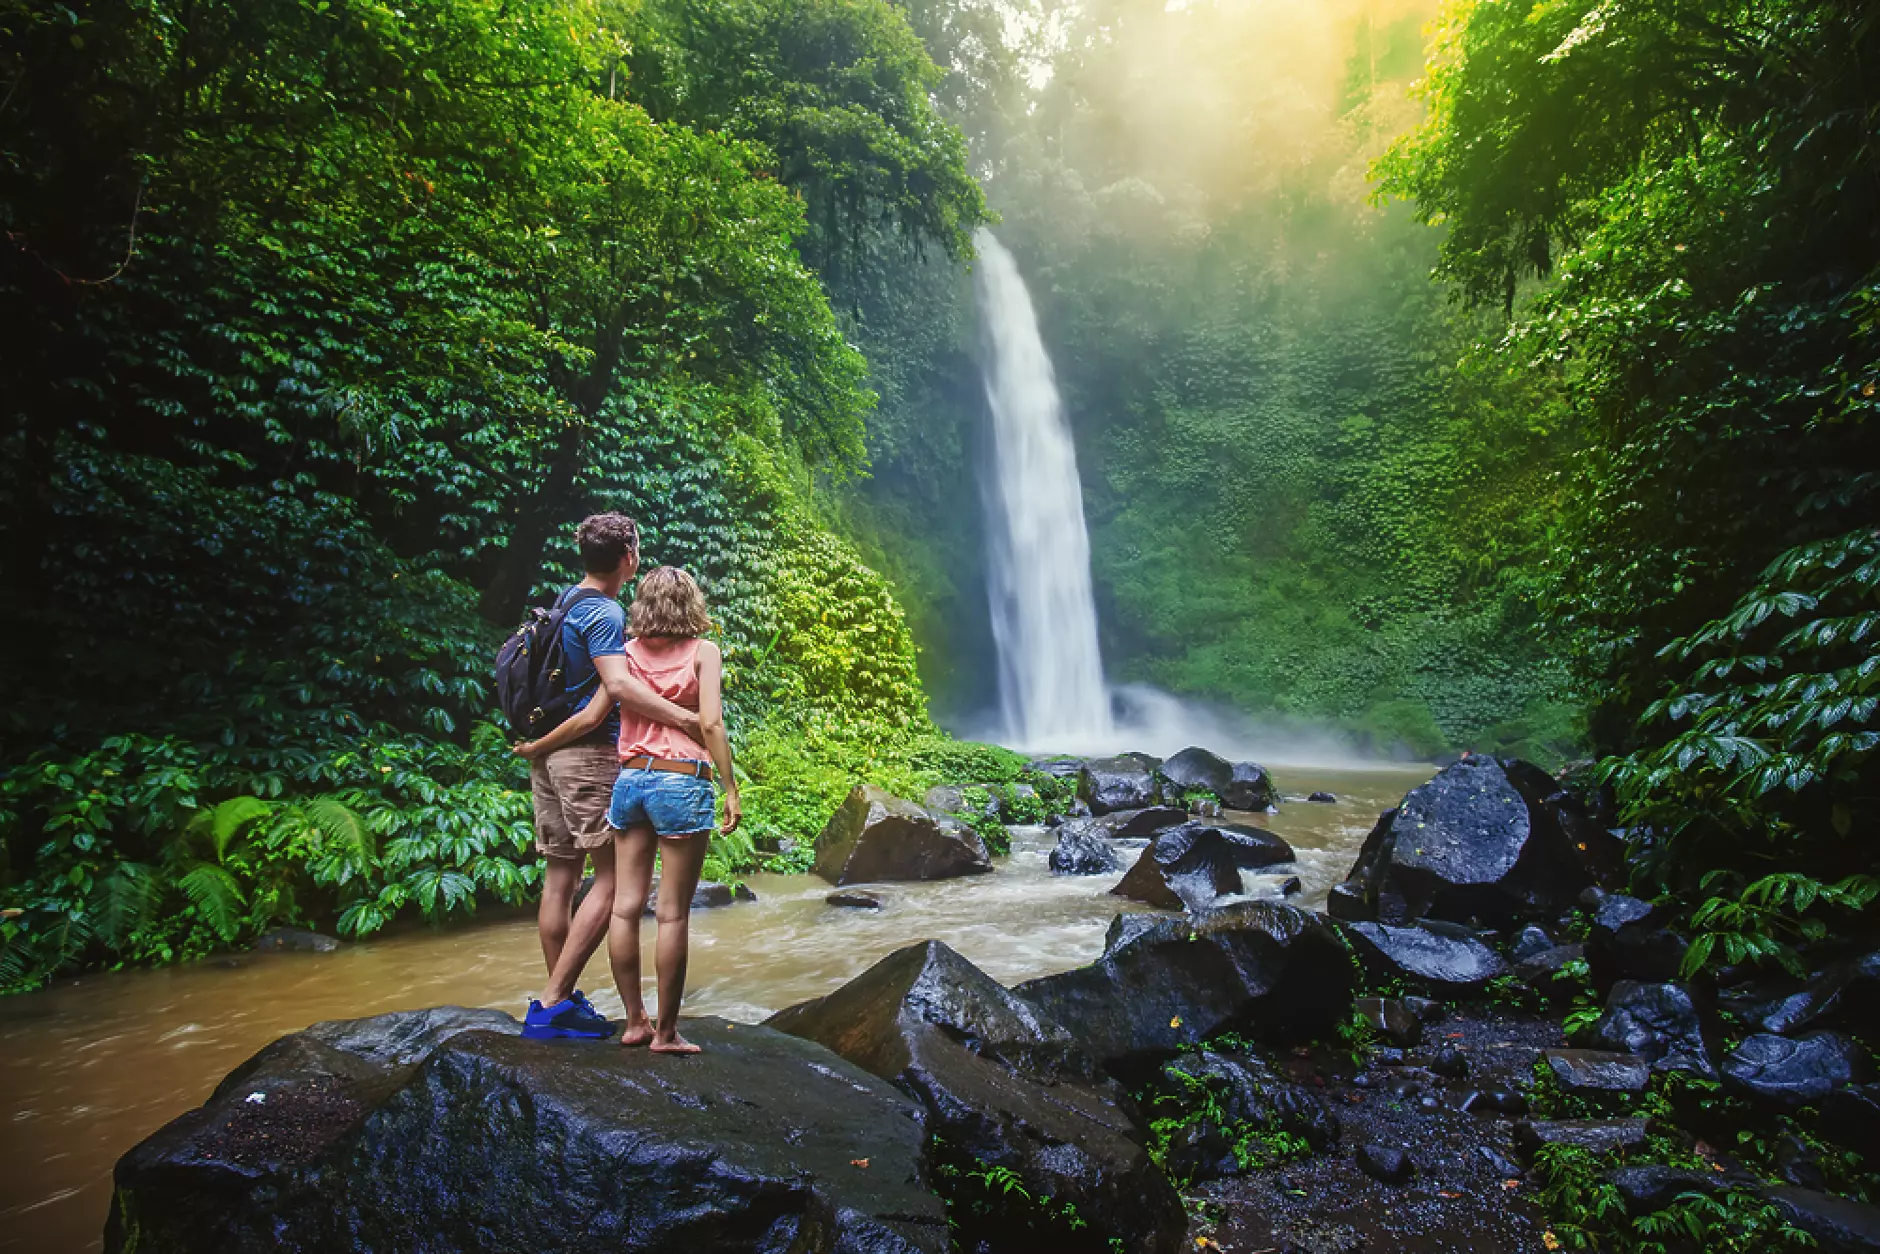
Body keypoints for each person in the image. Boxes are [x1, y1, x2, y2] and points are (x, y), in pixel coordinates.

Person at [518, 565, 738, 1054]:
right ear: (690, 604)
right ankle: (665, 1033)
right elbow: (713, 724)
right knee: (674, 915)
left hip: (630, 781)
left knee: (624, 908)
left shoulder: (627, 654)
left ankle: (634, 1023)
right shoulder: (705, 652)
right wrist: (729, 786)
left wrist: (539, 746)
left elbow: (592, 717)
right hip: (682, 781)